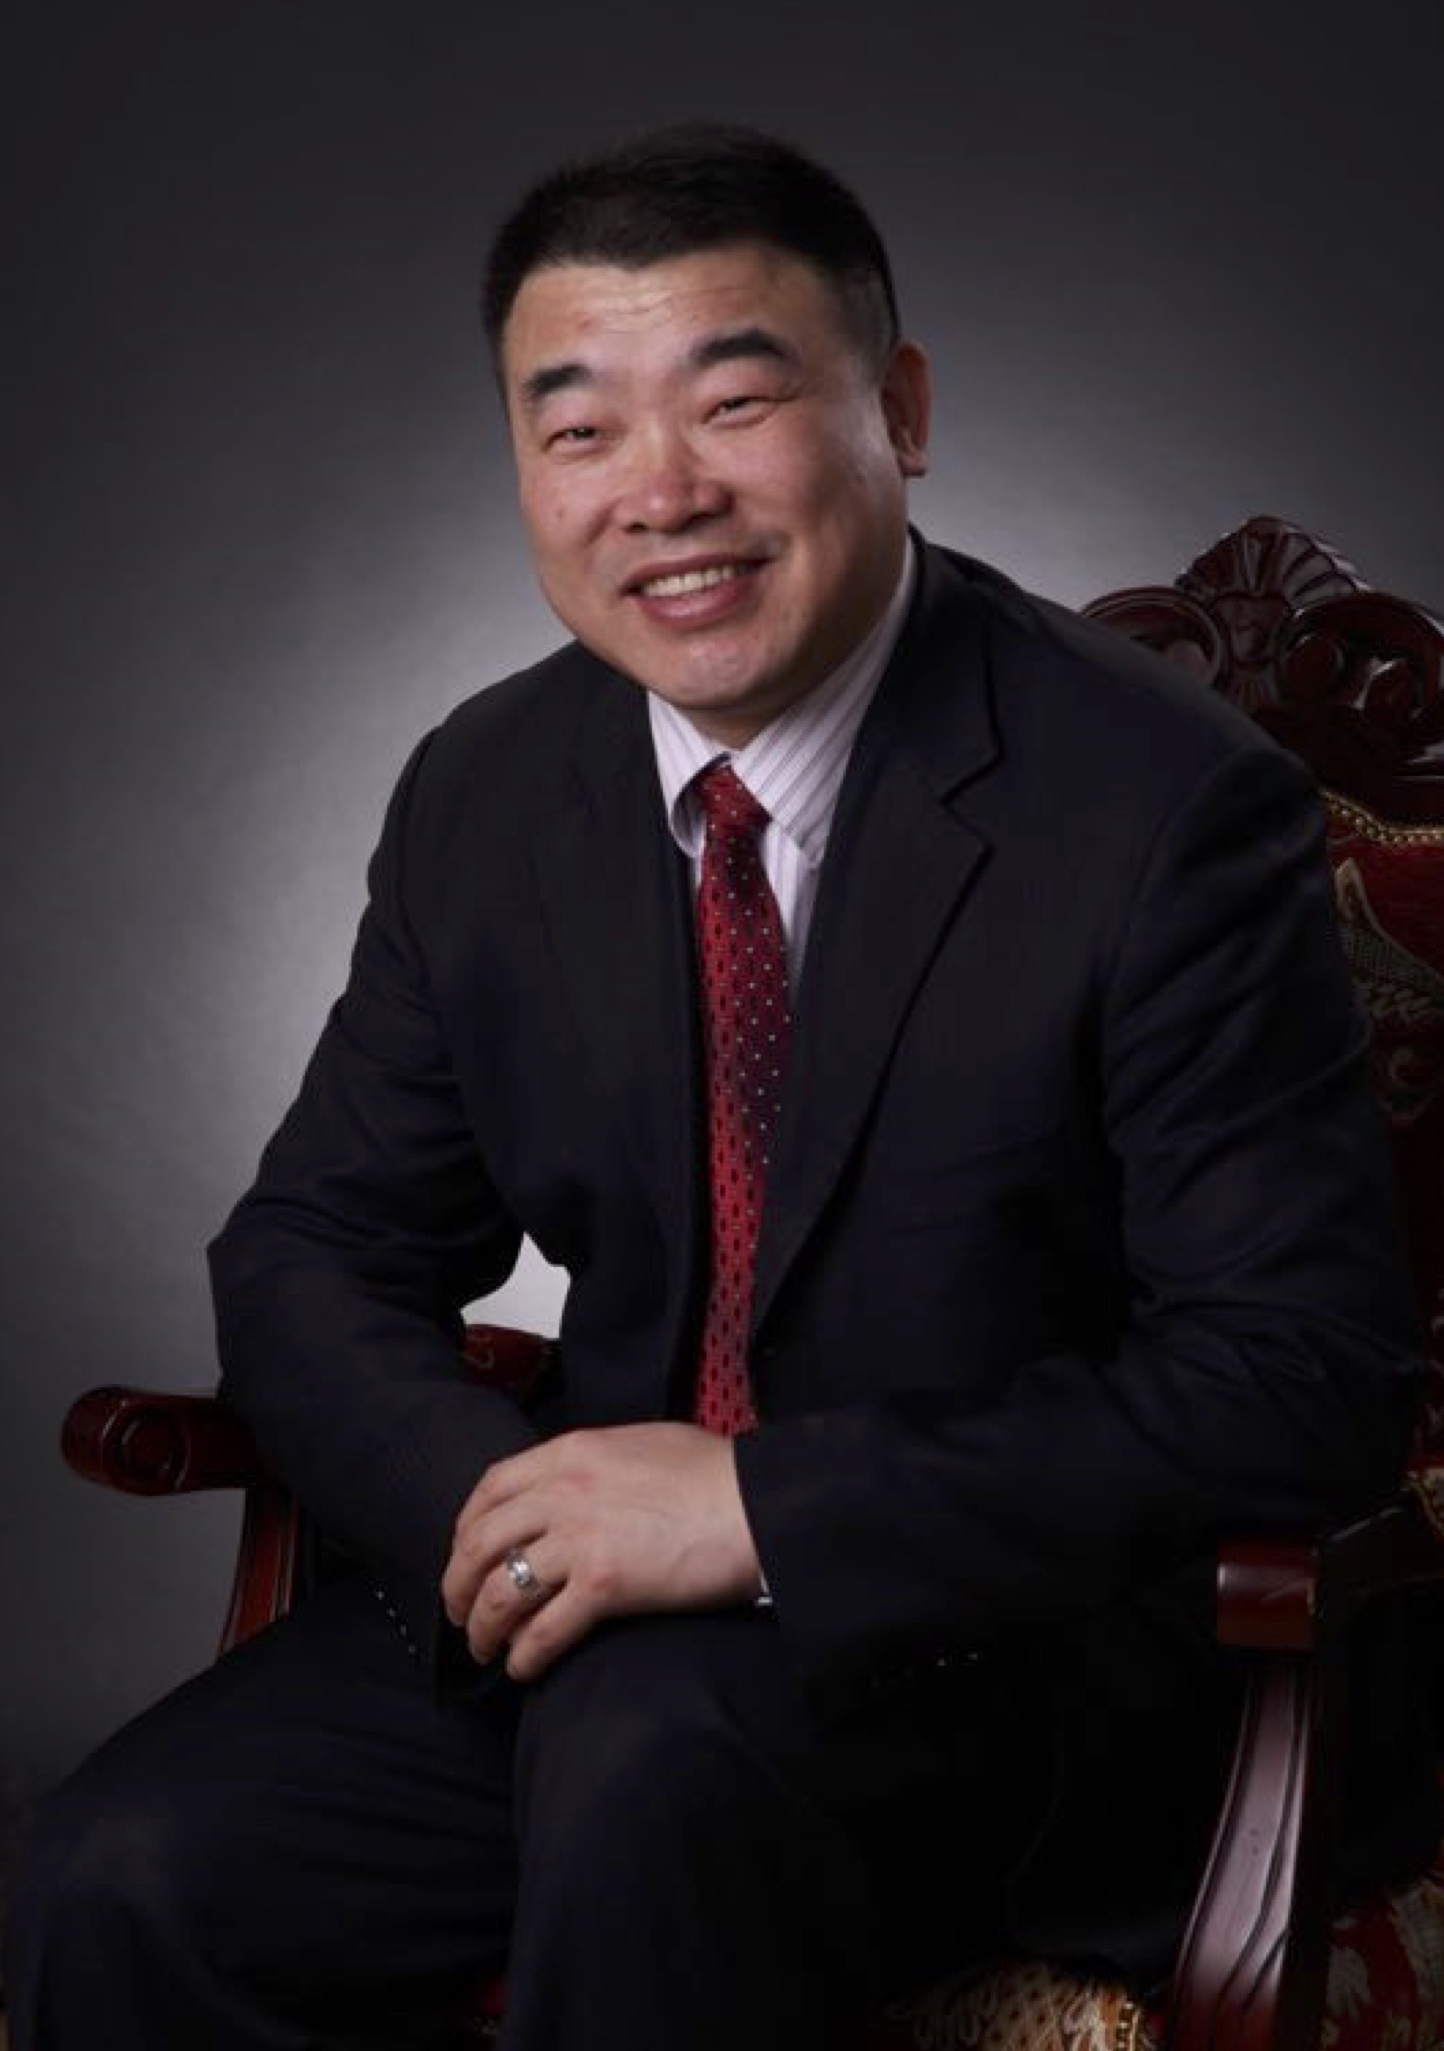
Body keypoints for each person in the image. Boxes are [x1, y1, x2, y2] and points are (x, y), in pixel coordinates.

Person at [7, 122, 1439, 2050]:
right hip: (590, 1616)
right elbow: (312, 1252)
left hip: (1012, 1649)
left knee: (651, 1773)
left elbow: (1298, 1378)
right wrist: (505, 1514)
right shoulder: (488, 788)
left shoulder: (1163, 809)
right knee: (122, 1868)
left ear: (899, 411)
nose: (661, 492)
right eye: (579, 428)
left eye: (736, 402)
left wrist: (758, 1509)